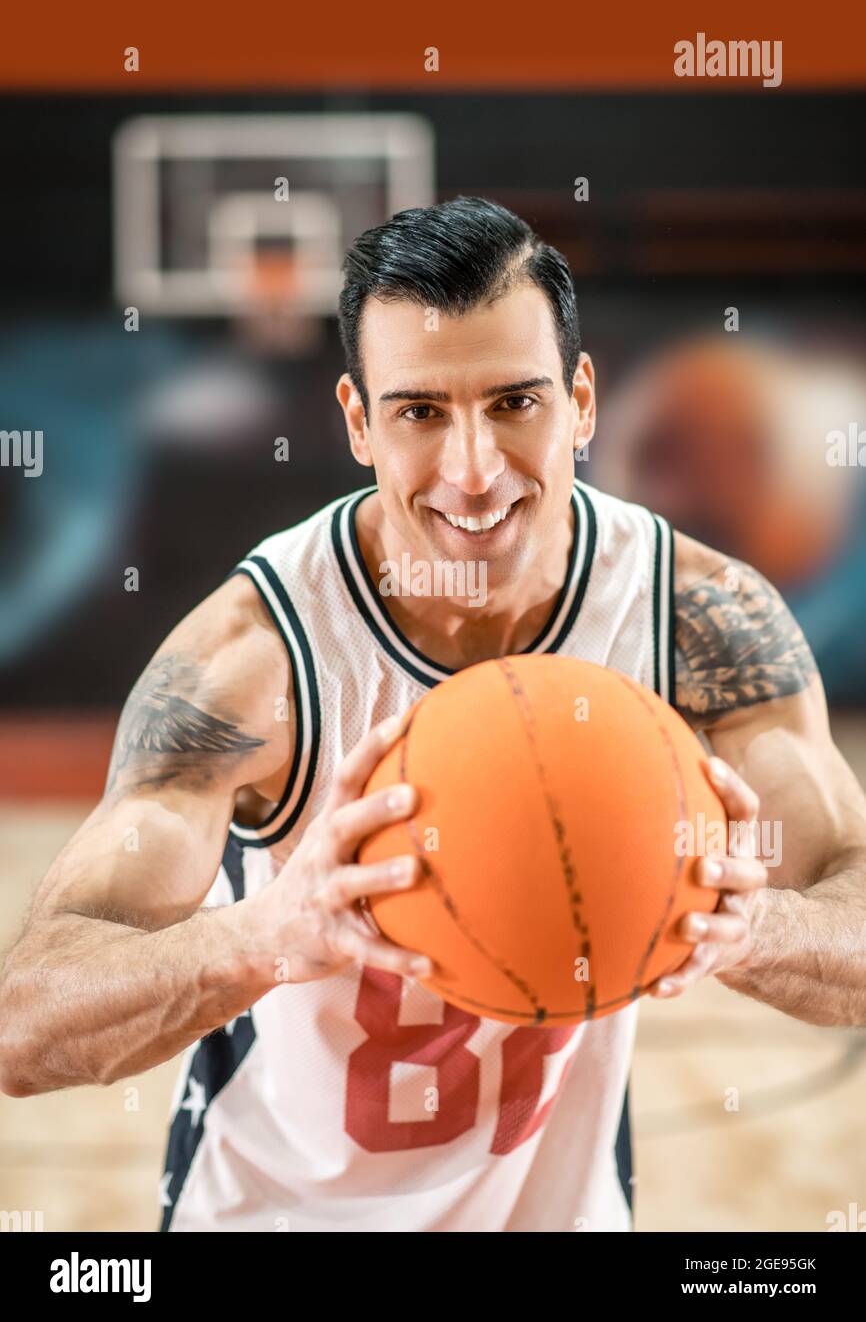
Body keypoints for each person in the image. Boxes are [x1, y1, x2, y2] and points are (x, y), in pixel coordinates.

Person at [2, 198, 864, 1234]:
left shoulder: (697, 621)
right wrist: (264, 935)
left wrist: (747, 927)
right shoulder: (254, 660)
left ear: (581, 400)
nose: (473, 468)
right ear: (357, 421)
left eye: (514, 402)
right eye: (419, 411)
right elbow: (25, 1024)